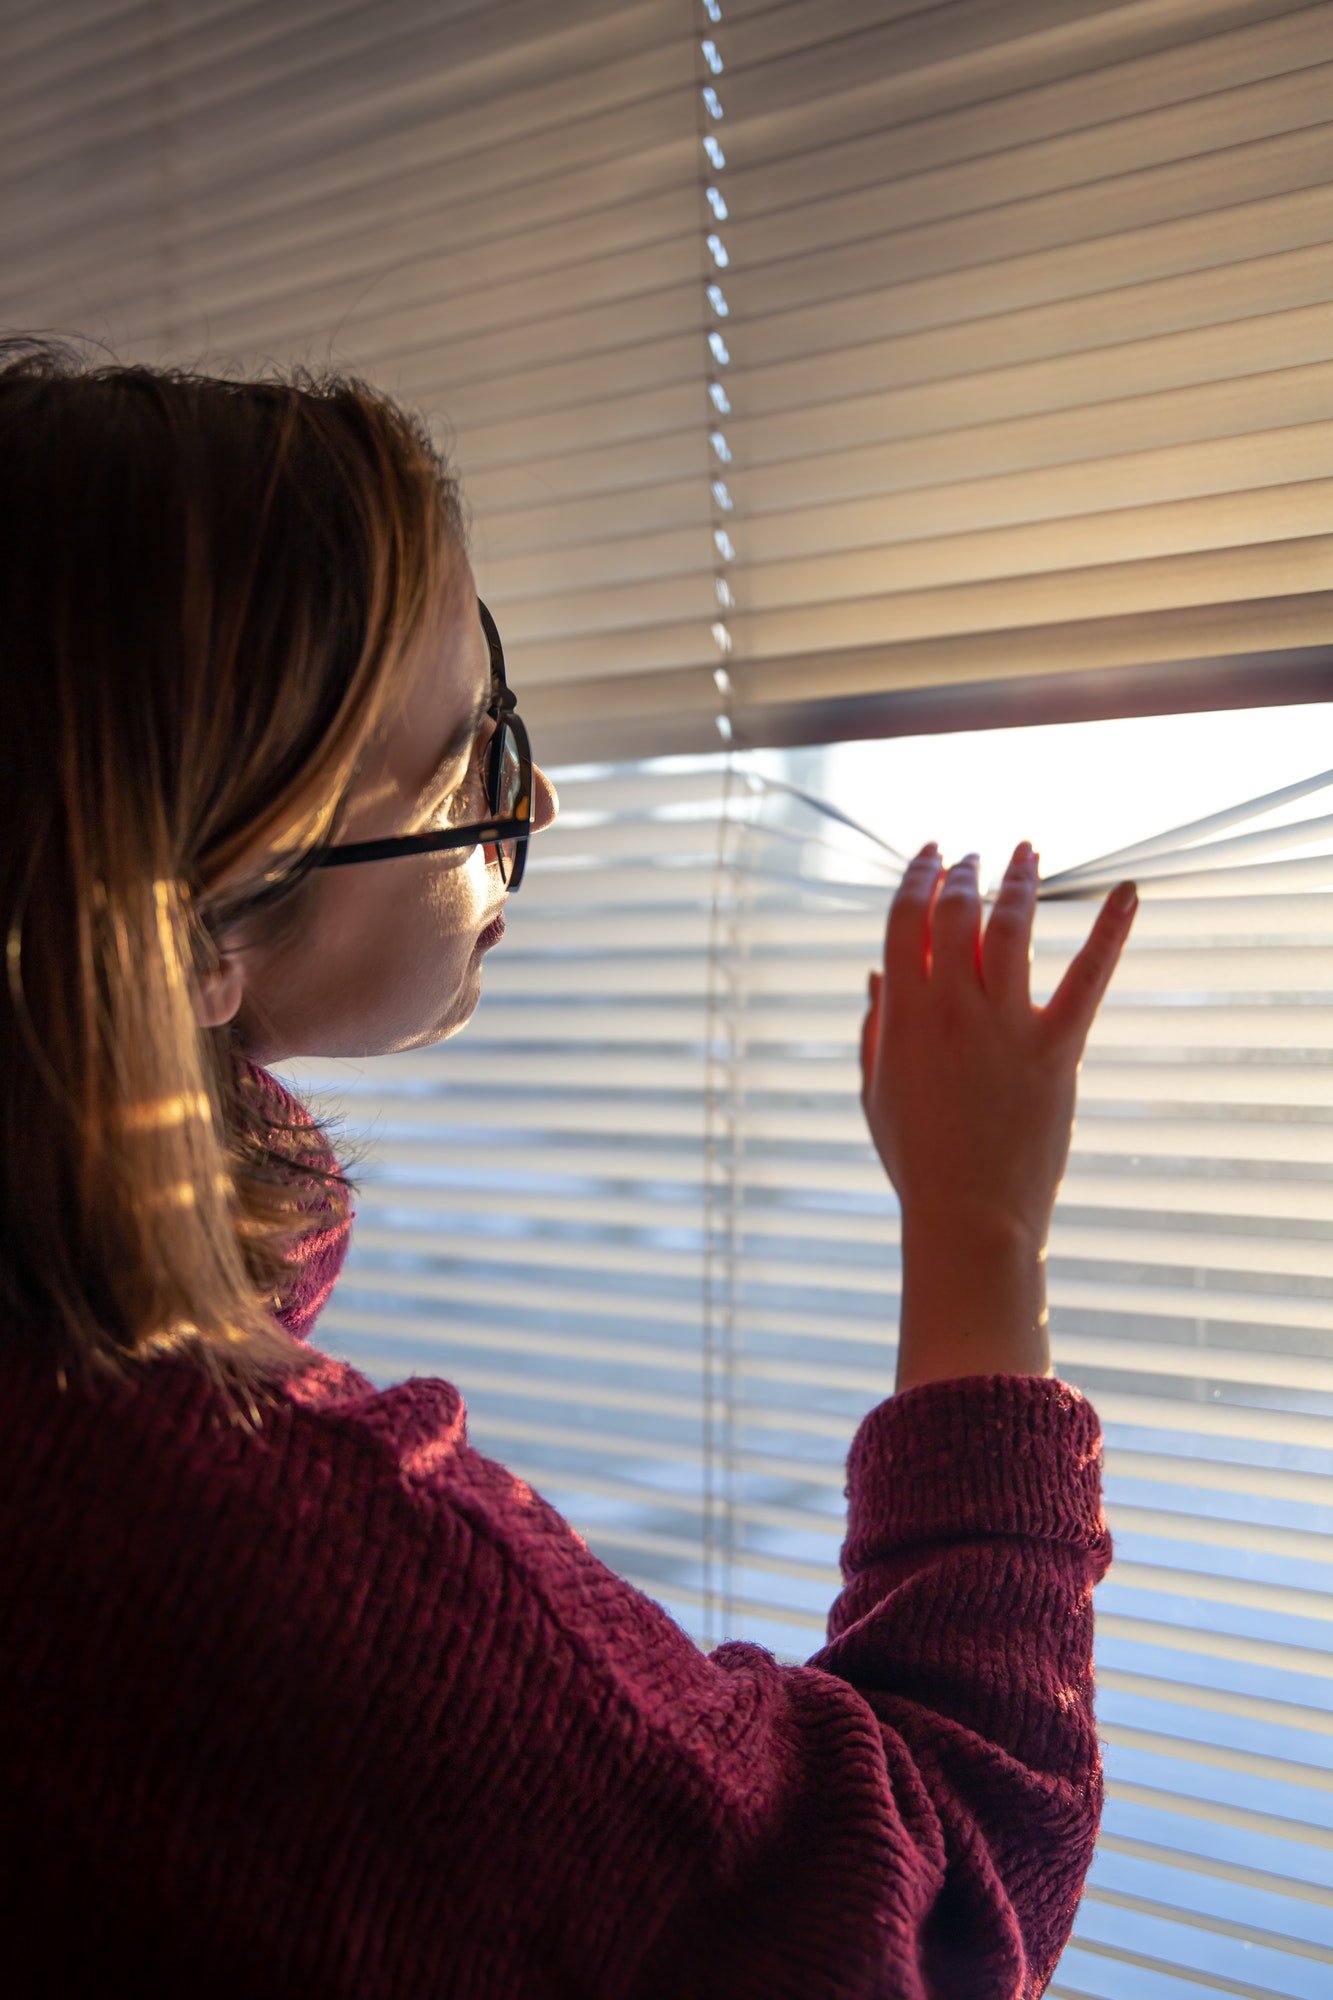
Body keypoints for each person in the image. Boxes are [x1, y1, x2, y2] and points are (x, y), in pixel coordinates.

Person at [0, 337, 1138, 1999]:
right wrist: (979, 1233)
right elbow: (934, 1916)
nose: (524, 793)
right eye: (463, 756)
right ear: (189, 933)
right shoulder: (291, 1573)